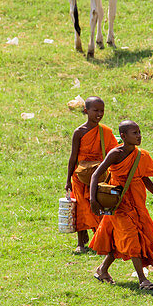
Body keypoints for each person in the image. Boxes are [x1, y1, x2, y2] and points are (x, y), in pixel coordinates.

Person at [89, 120, 153, 291]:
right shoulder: (115, 154)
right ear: (124, 136)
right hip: (118, 202)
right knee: (132, 238)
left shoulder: (141, 155)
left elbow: (145, 178)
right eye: (135, 133)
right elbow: (95, 175)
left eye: (139, 132)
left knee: (123, 238)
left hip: (137, 201)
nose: (139, 136)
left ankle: (102, 270)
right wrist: (92, 200)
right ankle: (143, 280)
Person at [65, 97, 118, 253]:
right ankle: (81, 243)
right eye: (96, 110)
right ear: (86, 111)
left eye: (102, 110)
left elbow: (113, 154)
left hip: (99, 175)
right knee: (81, 208)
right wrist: (68, 179)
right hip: (80, 176)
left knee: (99, 206)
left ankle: (100, 239)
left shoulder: (106, 132)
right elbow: (73, 157)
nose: (99, 114)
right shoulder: (79, 132)